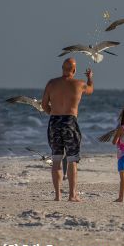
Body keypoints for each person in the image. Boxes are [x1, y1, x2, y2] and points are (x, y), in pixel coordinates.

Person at [42, 58, 93, 202]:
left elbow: (45, 105)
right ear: (74, 70)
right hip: (70, 121)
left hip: (54, 121)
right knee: (72, 160)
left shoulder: (51, 84)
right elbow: (90, 89)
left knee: (56, 159)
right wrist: (89, 78)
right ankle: (72, 195)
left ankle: (57, 196)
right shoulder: (79, 84)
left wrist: (54, 113)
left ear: (62, 68)